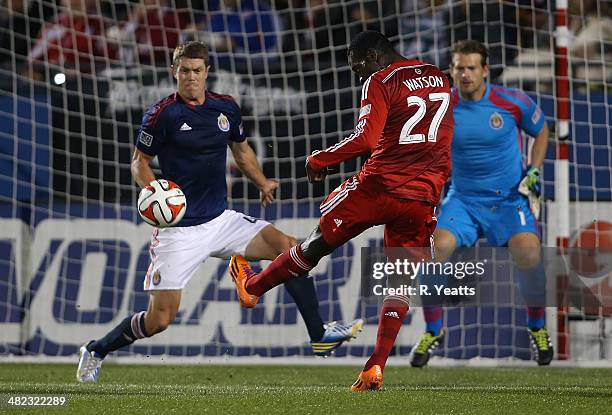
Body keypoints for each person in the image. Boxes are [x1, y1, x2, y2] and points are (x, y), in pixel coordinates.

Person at [76, 41, 362, 383]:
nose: (191, 78)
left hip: (221, 219)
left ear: (207, 72)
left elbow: (241, 152)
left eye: (197, 71)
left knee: (291, 248)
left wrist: (261, 182)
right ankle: (96, 349)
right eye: (184, 71)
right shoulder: (162, 114)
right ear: (174, 72)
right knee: (159, 320)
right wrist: (154, 191)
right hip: (178, 229)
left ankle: (319, 334)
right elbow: (139, 163)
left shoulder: (225, 108)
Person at [229, 30, 454, 391]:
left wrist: (320, 159)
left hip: (380, 186)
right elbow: (442, 134)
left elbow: (366, 138)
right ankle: (375, 367)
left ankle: (253, 287)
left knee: (317, 242)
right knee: (400, 279)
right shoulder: (438, 76)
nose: (357, 74)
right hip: (423, 193)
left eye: (358, 66)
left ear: (374, 56)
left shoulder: (379, 80)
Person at [410, 39, 552, 368]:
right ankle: (433, 330)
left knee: (529, 251)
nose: (465, 74)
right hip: (463, 199)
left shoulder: (511, 101)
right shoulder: (441, 107)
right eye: (459, 67)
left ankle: (537, 326)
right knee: (434, 249)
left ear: (485, 70)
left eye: (472, 67)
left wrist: (534, 170)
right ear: (452, 70)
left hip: (508, 200)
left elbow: (542, 131)